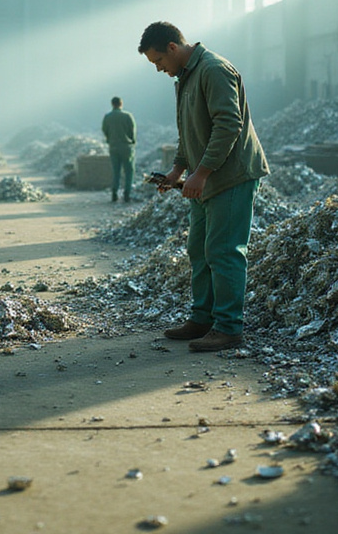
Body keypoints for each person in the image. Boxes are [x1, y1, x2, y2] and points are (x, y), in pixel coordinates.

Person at [139, 22, 268, 352]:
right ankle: (203, 318)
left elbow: (228, 125)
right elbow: (188, 131)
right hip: (204, 177)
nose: (158, 70)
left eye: (158, 62)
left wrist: (202, 173)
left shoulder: (213, 69)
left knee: (224, 251)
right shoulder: (185, 77)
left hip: (229, 176)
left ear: (172, 47)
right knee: (199, 249)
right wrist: (178, 170)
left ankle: (228, 327)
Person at [101, 96, 136, 202]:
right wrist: (132, 141)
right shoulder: (127, 116)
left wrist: (110, 139)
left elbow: (104, 130)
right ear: (121, 104)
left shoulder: (107, 117)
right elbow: (132, 131)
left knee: (116, 171)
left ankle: (114, 193)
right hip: (126, 147)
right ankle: (127, 194)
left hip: (113, 147)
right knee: (129, 171)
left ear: (112, 104)